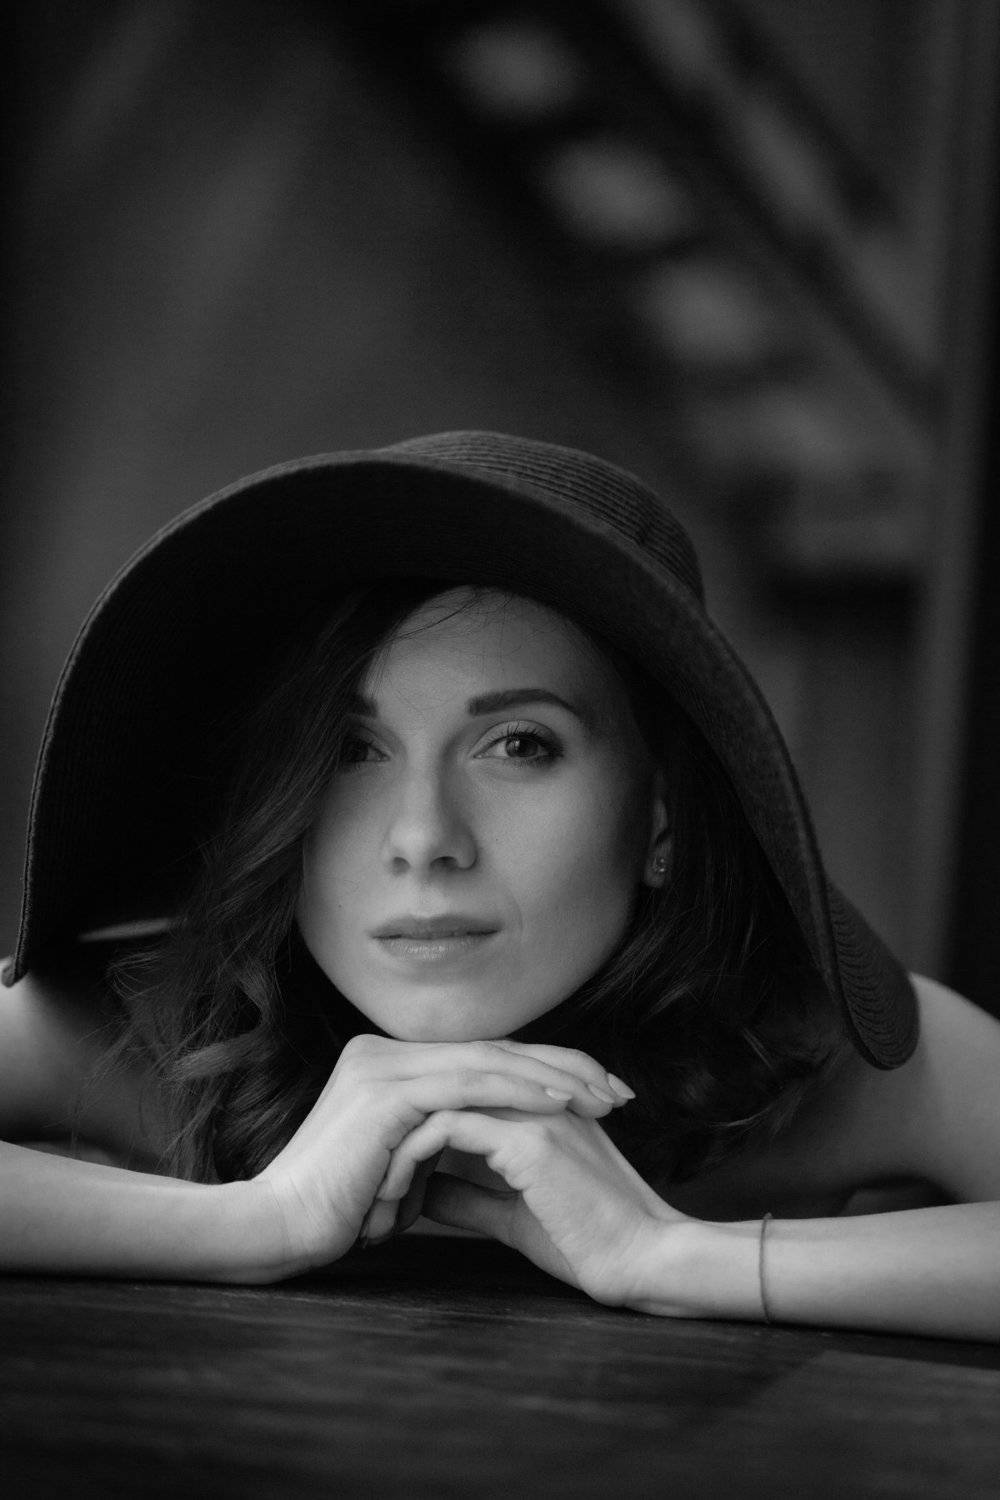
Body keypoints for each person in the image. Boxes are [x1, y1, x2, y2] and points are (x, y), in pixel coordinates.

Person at [1, 431, 997, 1339]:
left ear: (659, 818)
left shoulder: (815, 1058)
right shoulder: (147, 1022)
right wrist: (257, 1222)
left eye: (518, 745)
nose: (424, 839)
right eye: (351, 750)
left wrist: (667, 1255)